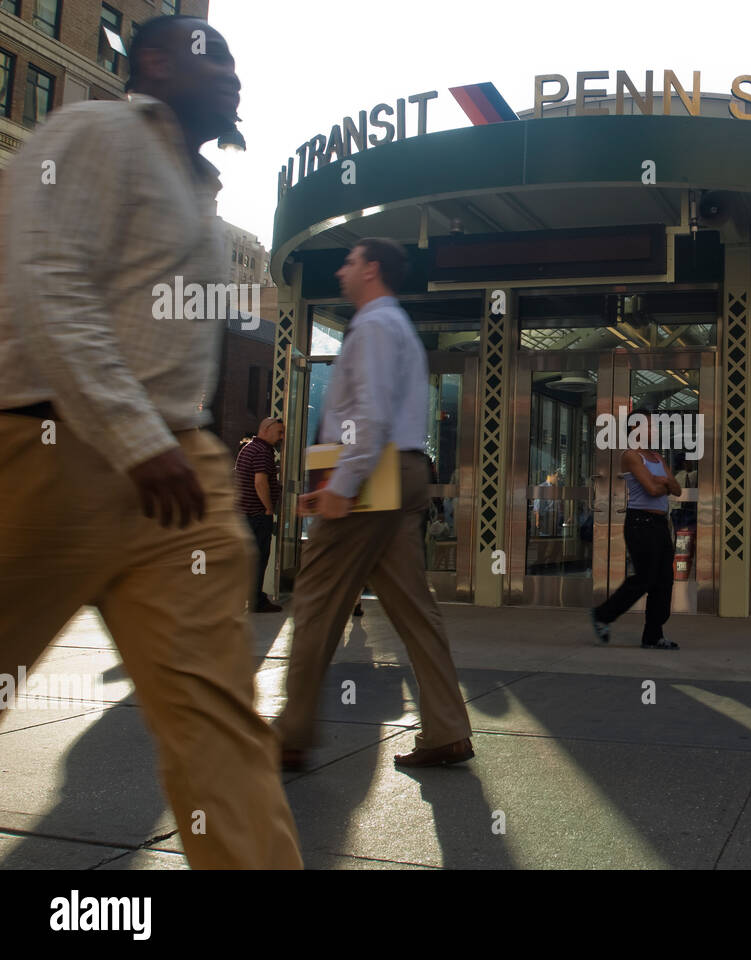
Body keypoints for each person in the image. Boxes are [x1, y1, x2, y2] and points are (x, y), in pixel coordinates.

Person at [0, 16, 301, 868]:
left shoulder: (201, 194)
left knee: (220, 721)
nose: (236, 77)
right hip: (45, 449)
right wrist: (136, 436)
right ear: (156, 63)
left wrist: (175, 442)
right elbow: (49, 284)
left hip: (180, 476)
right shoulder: (92, 133)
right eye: (219, 61)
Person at [276, 238, 473, 768]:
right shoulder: (399, 326)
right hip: (402, 471)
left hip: (371, 473)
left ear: (372, 270)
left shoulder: (373, 327)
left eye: (350, 261)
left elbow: (367, 416)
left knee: (317, 598)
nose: (342, 270)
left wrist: (340, 487)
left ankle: (291, 733)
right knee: (414, 607)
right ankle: (447, 729)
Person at [590, 410, 683, 649]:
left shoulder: (657, 457)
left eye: (654, 425)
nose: (653, 429)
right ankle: (603, 615)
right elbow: (652, 490)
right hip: (640, 524)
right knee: (645, 578)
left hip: (661, 524)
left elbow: (678, 489)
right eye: (648, 425)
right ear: (634, 429)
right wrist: (664, 483)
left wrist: (663, 482)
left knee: (664, 581)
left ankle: (653, 635)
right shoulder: (631, 456)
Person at [235, 416, 284, 612]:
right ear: (267, 429)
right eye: (279, 432)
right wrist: (269, 508)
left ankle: (242, 598)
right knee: (259, 558)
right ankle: (256, 600)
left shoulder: (248, 448)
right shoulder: (263, 452)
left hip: (244, 513)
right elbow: (260, 482)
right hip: (257, 514)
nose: (281, 437)